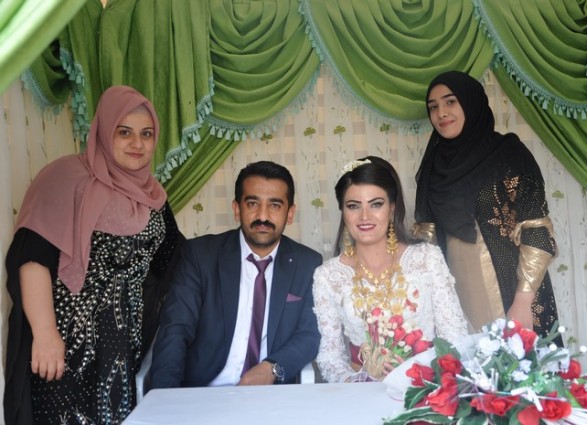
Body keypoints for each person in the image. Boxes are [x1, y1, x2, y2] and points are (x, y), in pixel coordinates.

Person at [4, 86, 184, 425]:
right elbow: (32, 259)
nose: (137, 144)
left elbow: (173, 260)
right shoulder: (65, 179)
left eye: (146, 134)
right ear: (103, 131)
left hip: (120, 349)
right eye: (124, 132)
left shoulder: (152, 196)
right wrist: (45, 333)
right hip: (65, 347)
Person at [149, 160, 322, 388]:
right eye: (252, 203)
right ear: (237, 209)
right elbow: (176, 328)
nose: (263, 216)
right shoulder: (201, 255)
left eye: (275, 205)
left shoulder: (308, 264)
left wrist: (272, 368)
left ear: (290, 213)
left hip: (270, 394)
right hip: (205, 392)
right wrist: (165, 398)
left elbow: (309, 334)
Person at [414, 70, 560, 338]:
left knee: (518, 359)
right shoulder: (434, 167)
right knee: (465, 362)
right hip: (456, 297)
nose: (441, 113)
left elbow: (536, 230)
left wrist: (523, 301)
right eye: (433, 107)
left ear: (471, 102)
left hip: (514, 292)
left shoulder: (508, 154)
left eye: (450, 102)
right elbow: (428, 241)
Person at [313, 156, 468, 384]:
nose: (364, 216)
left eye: (376, 204)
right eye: (353, 206)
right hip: (362, 393)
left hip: (424, 387)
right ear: (343, 212)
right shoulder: (328, 276)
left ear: (392, 208)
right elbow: (330, 357)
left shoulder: (427, 259)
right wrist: (358, 382)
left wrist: (424, 378)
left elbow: (455, 338)